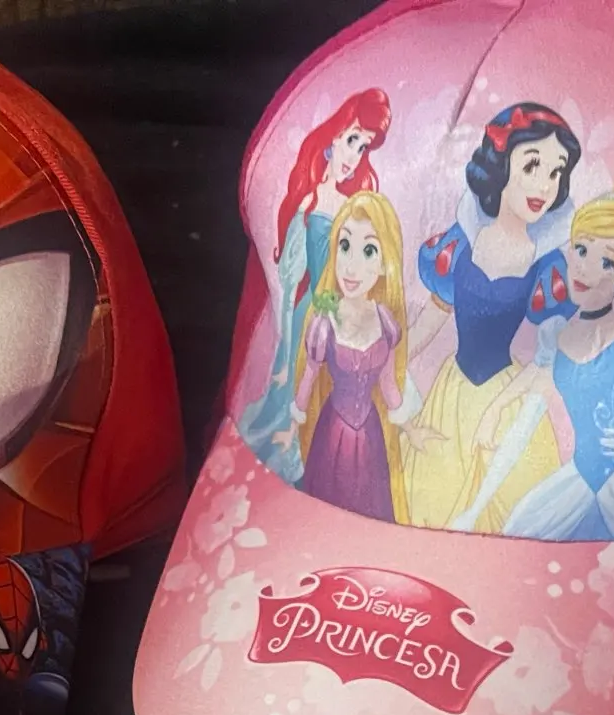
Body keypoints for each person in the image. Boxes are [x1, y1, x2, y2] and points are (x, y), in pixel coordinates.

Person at [458, 164, 614, 542]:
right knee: (525, 535)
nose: (586, 268)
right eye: (582, 249)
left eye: (607, 261)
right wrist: (474, 510)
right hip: (577, 482)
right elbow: (522, 430)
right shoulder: (555, 336)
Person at [402, 102, 582, 531]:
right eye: (532, 165)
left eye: (555, 172)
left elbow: (548, 360)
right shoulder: (458, 244)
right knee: (434, 501)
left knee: (507, 513)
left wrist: (499, 410)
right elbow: (432, 320)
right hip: (451, 394)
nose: (544, 185)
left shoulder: (548, 266)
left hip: (506, 394)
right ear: (500, 165)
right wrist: (388, 363)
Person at [239, 88, 393, 483]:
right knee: (298, 393)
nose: (355, 155)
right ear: (334, 136)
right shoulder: (311, 200)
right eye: (352, 140)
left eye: (363, 147)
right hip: (309, 313)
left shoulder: (350, 206)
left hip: (339, 315)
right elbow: (290, 273)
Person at [281, 190, 415, 522]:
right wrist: (292, 424)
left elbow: (389, 387)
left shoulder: (386, 323)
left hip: (370, 438)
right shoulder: (324, 324)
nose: (352, 266)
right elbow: (309, 378)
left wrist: (412, 429)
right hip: (332, 434)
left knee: (370, 511)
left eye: (368, 251)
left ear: (384, 264)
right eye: (345, 246)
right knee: (329, 508)